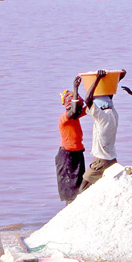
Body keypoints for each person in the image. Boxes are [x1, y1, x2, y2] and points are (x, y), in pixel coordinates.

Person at [79, 69, 126, 192]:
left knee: (82, 189)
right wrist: (118, 79)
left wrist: (97, 79)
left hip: (101, 160)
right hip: (112, 159)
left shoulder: (102, 117)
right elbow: (109, 96)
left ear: (99, 107)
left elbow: (88, 100)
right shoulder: (113, 114)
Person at [55, 76, 87, 205]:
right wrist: (75, 87)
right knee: (70, 194)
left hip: (78, 154)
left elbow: (90, 105)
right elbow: (74, 110)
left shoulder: (75, 116)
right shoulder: (65, 118)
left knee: (79, 190)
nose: (79, 109)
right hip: (67, 157)